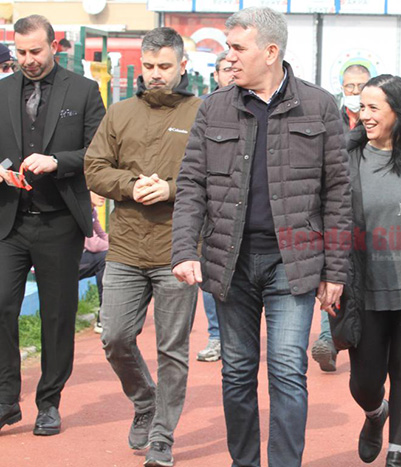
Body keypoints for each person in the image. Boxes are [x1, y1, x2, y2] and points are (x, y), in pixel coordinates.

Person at [171, 7, 351, 467]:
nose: (228, 57)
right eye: (227, 48)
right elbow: (191, 184)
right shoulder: (214, 107)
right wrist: (184, 249)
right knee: (237, 373)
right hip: (229, 261)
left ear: (270, 52)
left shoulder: (319, 106)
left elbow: (338, 192)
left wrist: (336, 270)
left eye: (237, 48)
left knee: (288, 370)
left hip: (293, 261)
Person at [84, 27, 201, 467]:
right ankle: (145, 400)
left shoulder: (202, 113)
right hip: (126, 247)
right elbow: (95, 168)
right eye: (149, 66)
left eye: (164, 66)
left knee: (173, 349)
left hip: (178, 248)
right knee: (114, 337)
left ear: (182, 66)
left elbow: (215, 176)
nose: (155, 74)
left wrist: (170, 189)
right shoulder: (119, 113)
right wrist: (131, 185)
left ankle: (163, 437)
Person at [0, 14, 105, 437]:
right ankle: (6, 399)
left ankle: (49, 402)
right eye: (20, 52)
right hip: (9, 220)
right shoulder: (2, 90)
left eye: (35, 51)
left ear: (54, 46)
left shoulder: (83, 90)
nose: (28, 59)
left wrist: (58, 161)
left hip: (60, 221)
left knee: (58, 316)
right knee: (1, 304)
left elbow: (99, 150)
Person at [341, 74, 401, 467]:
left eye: (373, 107)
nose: (364, 115)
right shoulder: (346, 155)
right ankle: (375, 413)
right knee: (364, 382)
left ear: (397, 111)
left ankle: (397, 457)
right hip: (362, 286)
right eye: (362, 107)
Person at [310, 63, 371, 373]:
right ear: (342, 87)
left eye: (361, 86)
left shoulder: (382, 118)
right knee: (333, 272)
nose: (355, 92)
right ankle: (328, 340)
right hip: (335, 209)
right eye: (350, 86)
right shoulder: (330, 116)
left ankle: (358, 341)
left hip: (372, 212)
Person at [195, 50, 236, 364]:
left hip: (242, 207)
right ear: (216, 75)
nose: (231, 73)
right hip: (211, 210)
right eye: (225, 69)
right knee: (210, 273)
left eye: (235, 67)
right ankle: (216, 336)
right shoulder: (204, 109)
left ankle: (236, 336)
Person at [79, 191, 109, 334]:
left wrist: (119, 247)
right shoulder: (81, 209)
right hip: (62, 262)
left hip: (78, 258)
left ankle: (106, 315)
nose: (103, 195)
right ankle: (103, 319)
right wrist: (115, 249)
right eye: (97, 191)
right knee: (106, 258)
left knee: (111, 257)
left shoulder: (92, 210)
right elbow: (93, 244)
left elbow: (101, 235)